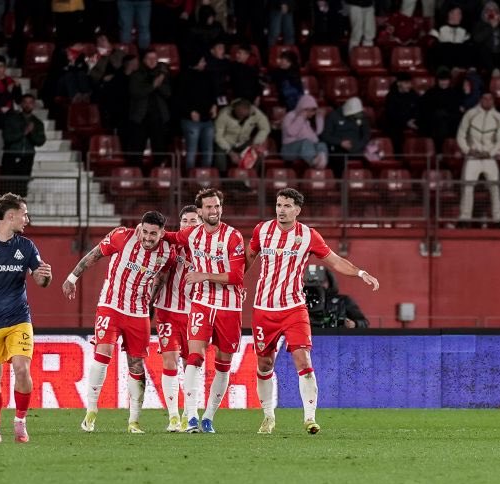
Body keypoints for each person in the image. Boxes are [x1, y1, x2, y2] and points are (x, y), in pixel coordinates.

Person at [245, 187, 380, 434]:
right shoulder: (261, 230)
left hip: (294, 307)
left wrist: (360, 272)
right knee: (264, 365)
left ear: (297, 210)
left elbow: (335, 260)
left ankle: (309, 418)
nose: (281, 210)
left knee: (303, 358)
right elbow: (248, 258)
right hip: (263, 308)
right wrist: (233, 284)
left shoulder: (308, 235)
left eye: (287, 206)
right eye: (278, 205)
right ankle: (268, 416)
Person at [62, 211, 174, 433]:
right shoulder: (122, 236)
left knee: (136, 365)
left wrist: (150, 305)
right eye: (145, 231)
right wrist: (72, 278)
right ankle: (91, 411)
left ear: (162, 234)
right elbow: (95, 255)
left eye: (154, 233)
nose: (148, 237)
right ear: (140, 228)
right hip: (110, 305)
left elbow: (161, 278)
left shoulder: (167, 252)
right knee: (102, 356)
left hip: (138, 312)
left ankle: (134, 421)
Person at [159, 188, 245, 434]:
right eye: (209, 207)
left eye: (217, 206)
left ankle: (209, 417)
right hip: (202, 303)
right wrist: (141, 233)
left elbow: (237, 276)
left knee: (223, 363)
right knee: (194, 358)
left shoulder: (233, 236)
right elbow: (170, 236)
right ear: (199, 211)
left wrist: (203, 275)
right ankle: (192, 416)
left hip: (230, 306)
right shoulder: (193, 234)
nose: (214, 211)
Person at [0, 193, 52, 444]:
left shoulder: (26, 247)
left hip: (19, 318)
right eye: (24, 214)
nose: (27, 219)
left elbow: (40, 281)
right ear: (11, 215)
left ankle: (20, 422)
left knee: (21, 367)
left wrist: (45, 275)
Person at [151, 205, 201, 432]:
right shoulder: (170, 247)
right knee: (170, 361)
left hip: (195, 315)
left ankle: (190, 414)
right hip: (167, 312)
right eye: (185, 222)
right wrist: (149, 301)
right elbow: (159, 275)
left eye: (194, 221)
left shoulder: (206, 251)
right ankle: (173, 417)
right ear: (179, 226)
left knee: (192, 365)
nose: (189, 225)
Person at [456, 92, 500, 227]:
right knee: (467, 186)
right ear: (480, 99)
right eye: (484, 98)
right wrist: (468, 150)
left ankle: (498, 219)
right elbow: (461, 135)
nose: (487, 101)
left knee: (495, 187)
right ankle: (464, 219)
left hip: (489, 157)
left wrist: (491, 153)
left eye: (490, 99)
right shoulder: (470, 114)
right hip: (473, 157)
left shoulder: (499, 117)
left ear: (493, 101)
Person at [176, 54, 218, 171]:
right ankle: (189, 179)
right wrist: (190, 112)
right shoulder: (183, 77)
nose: (204, 63)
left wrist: (214, 105)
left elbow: (213, 93)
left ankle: (205, 180)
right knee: (191, 152)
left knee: (208, 152)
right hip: (191, 121)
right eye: (202, 61)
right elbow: (178, 99)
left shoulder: (208, 76)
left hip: (207, 119)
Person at [2, 94, 45, 196]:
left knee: (22, 188)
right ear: (21, 104)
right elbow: (7, 137)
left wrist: (31, 133)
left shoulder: (37, 123)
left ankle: (20, 210)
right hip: (11, 156)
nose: (27, 105)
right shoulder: (12, 119)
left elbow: (40, 141)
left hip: (27, 157)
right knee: (8, 187)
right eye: (25, 102)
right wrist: (24, 132)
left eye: (30, 103)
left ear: (33, 105)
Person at [214, 98, 270, 173]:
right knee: (219, 156)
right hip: (226, 143)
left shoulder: (256, 113)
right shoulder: (224, 114)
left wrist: (256, 143)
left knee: (258, 151)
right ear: (235, 109)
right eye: (240, 114)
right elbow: (218, 136)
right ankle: (222, 176)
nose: (242, 117)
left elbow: (265, 128)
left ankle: (252, 175)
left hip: (244, 142)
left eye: (244, 115)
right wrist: (230, 152)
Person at [321, 96, 371, 176]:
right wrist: (340, 142)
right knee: (338, 162)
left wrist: (357, 146)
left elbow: (366, 136)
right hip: (338, 150)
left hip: (357, 148)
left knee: (370, 162)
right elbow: (325, 136)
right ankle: (340, 186)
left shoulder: (361, 116)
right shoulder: (333, 116)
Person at [281, 93, 328, 168]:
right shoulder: (290, 116)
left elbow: (315, 137)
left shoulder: (306, 121)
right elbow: (291, 133)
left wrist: (319, 119)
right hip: (289, 149)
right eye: (311, 111)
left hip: (304, 149)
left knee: (321, 144)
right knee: (305, 142)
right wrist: (301, 117)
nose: (313, 114)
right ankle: (313, 161)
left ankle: (321, 162)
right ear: (304, 108)